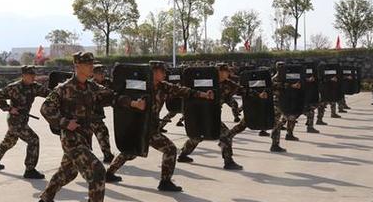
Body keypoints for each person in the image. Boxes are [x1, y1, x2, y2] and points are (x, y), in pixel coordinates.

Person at [36, 52, 145, 202]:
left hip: (85, 137)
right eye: (87, 65)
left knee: (68, 172)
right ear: (77, 66)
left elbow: (111, 97)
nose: (91, 67)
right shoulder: (64, 88)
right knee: (97, 171)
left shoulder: (91, 87)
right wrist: (64, 122)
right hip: (72, 139)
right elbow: (45, 108)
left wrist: (133, 103)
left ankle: (45, 201)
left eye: (92, 64)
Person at [105, 61, 214, 192]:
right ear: (154, 72)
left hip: (151, 127)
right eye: (162, 71)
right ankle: (165, 182)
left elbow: (183, 91)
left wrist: (204, 95)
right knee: (169, 149)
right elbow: (123, 96)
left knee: (130, 152)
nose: (164, 74)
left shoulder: (163, 86)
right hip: (140, 126)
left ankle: (109, 173)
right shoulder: (141, 85)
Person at [178, 63, 265, 170]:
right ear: (218, 72)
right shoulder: (206, 81)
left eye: (228, 71)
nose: (227, 74)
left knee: (219, 135)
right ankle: (227, 162)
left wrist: (258, 95)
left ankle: (184, 155)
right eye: (225, 71)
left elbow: (242, 90)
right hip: (197, 113)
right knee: (198, 137)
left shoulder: (227, 84)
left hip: (212, 114)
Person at [0, 65, 49, 179]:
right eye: (30, 75)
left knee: (9, 141)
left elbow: (49, 94)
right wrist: (9, 108)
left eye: (34, 75)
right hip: (15, 121)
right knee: (33, 140)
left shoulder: (35, 87)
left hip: (23, 120)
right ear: (24, 75)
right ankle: (30, 170)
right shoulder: (14, 87)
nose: (33, 77)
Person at [90, 64, 115, 163]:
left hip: (97, 115)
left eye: (103, 73)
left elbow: (114, 92)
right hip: (89, 115)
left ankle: (107, 155)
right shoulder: (91, 85)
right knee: (85, 137)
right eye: (100, 73)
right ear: (94, 74)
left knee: (103, 133)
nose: (102, 75)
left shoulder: (107, 82)